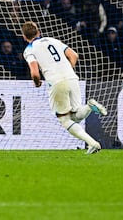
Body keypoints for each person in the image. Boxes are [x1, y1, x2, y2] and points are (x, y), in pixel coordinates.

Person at [21, 21, 107, 154]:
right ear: (38, 32)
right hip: (72, 78)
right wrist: (67, 70)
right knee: (76, 116)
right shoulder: (52, 40)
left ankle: (93, 143)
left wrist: (37, 82)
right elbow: (74, 55)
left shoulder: (29, 50)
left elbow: (34, 72)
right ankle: (90, 106)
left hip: (56, 81)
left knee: (65, 120)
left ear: (24, 37)